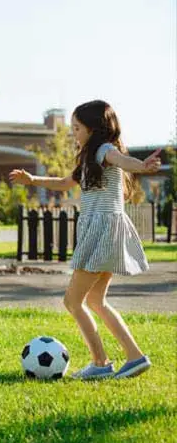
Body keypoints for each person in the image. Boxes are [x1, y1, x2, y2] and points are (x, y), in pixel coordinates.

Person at [10, 100, 161, 380]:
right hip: (102, 232)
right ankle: (135, 357)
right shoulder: (88, 157)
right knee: (95, 301)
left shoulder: (104, 150)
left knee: (72, 301)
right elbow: (65, 183)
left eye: (77, 128)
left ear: (93, 128)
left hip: (103, 231)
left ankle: (101, 362)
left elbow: (123, 161)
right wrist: (32, 179)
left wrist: (142, 165)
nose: (73, 133)